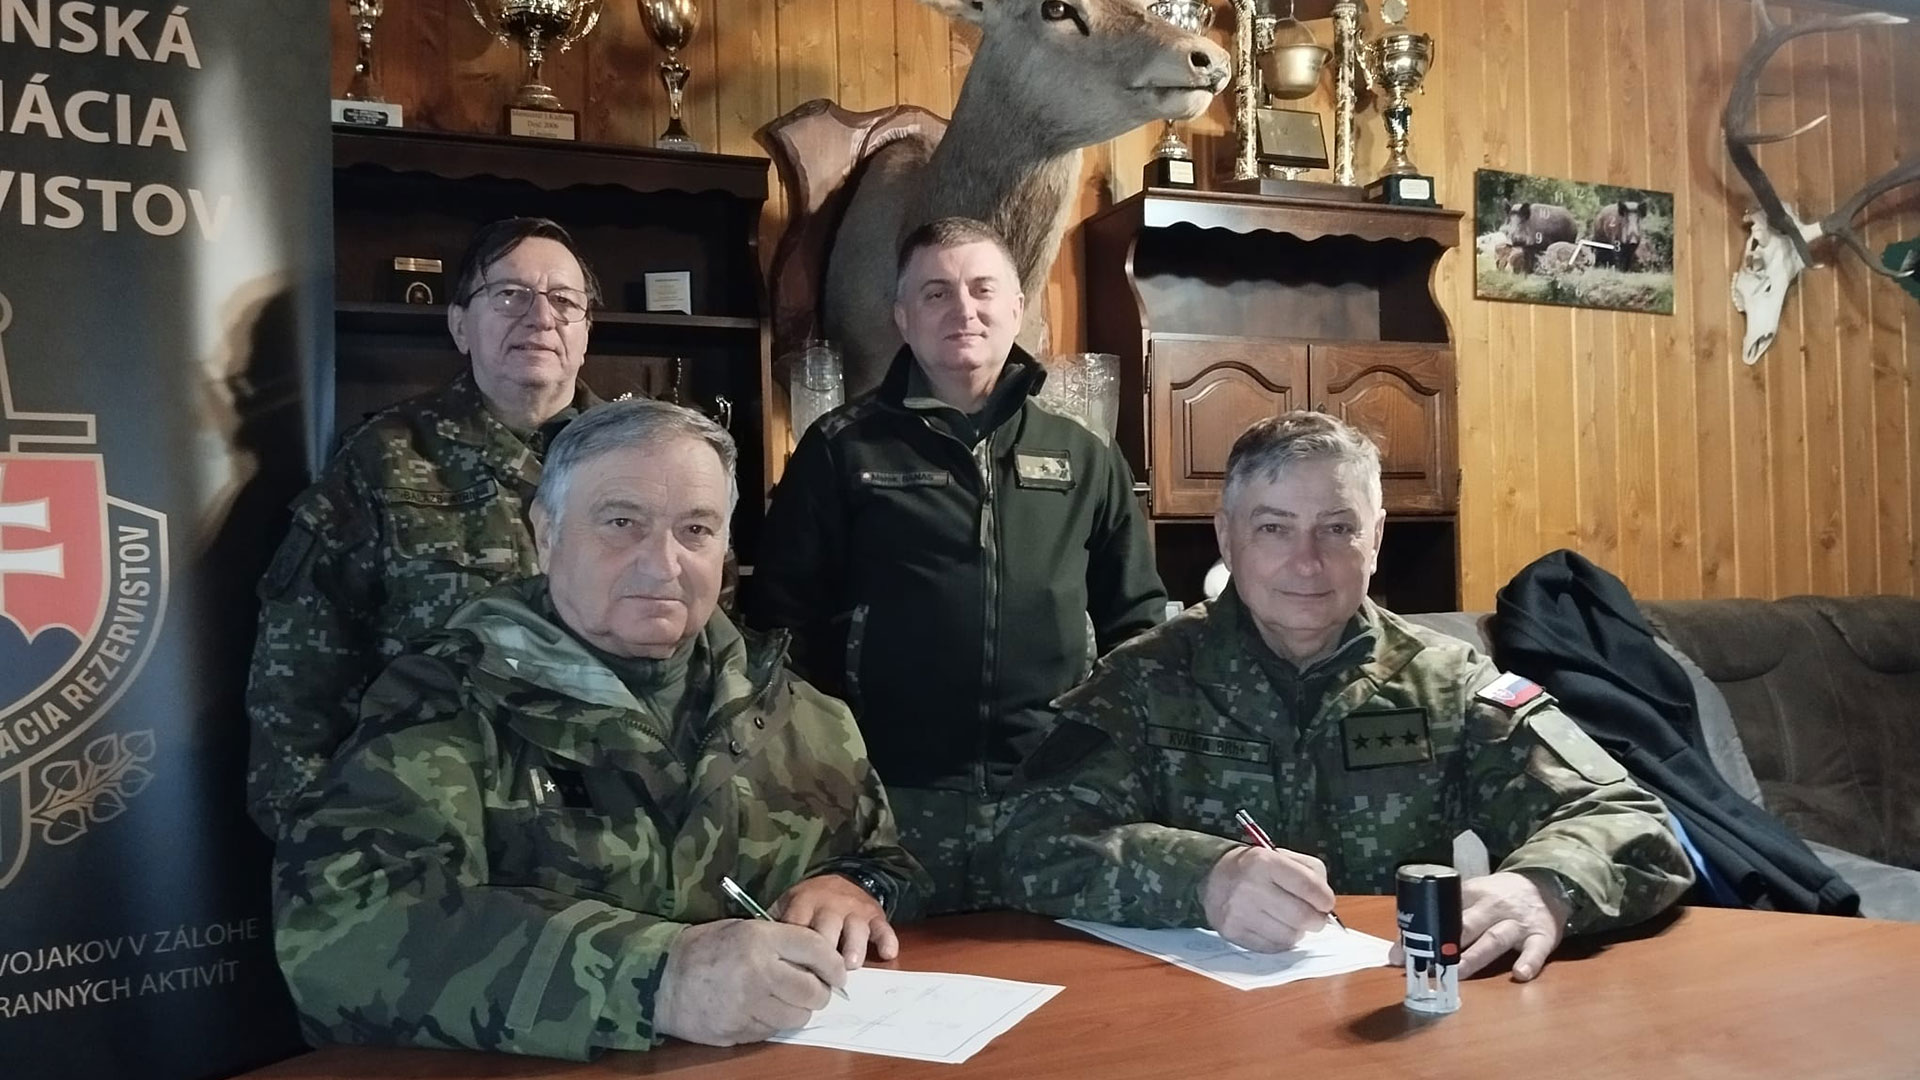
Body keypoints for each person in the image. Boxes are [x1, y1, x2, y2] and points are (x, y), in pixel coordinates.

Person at [273, 399, 926, 1059]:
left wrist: (853, 886)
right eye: (621, 523)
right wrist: (660, 976)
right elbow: (339, 931)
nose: (663, 564)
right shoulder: (447, 704)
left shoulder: (798, 712)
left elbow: (879, 856)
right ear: (546, 534)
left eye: (696, 530)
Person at [999, 411, 1693, 981]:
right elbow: (1027, 841)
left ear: (1376, 539)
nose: (1308, 562)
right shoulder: (1145, 680)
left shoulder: (1448, 682)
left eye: (1337, 528)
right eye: (1274, 528)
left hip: (1388, 1003)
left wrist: (1543, 887)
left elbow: (1633, 822)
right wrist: (1205, 879)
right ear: (1227, 538)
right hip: (1190, 1018)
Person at [750, 217, 1167, 913]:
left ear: (1017, 308)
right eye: (936, 292)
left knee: (1062, 971)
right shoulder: (841, 448)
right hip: (886, 798)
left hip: (1052, 794)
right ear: (903, 316)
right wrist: (824, 764)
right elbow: (781, 625)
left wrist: (1111, 755)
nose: (963, 309)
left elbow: (1136, 623)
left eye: (982, 289)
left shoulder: (1085, 455)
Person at [245, 217, 604, 838]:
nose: (541, 317)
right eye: (510, 294)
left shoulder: (645, 460)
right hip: (436, 829)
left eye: (564, 300)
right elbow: (298, 682)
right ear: (460, 325)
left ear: (586, 329)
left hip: (616, 826)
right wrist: (321, 843)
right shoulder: (383, 458)